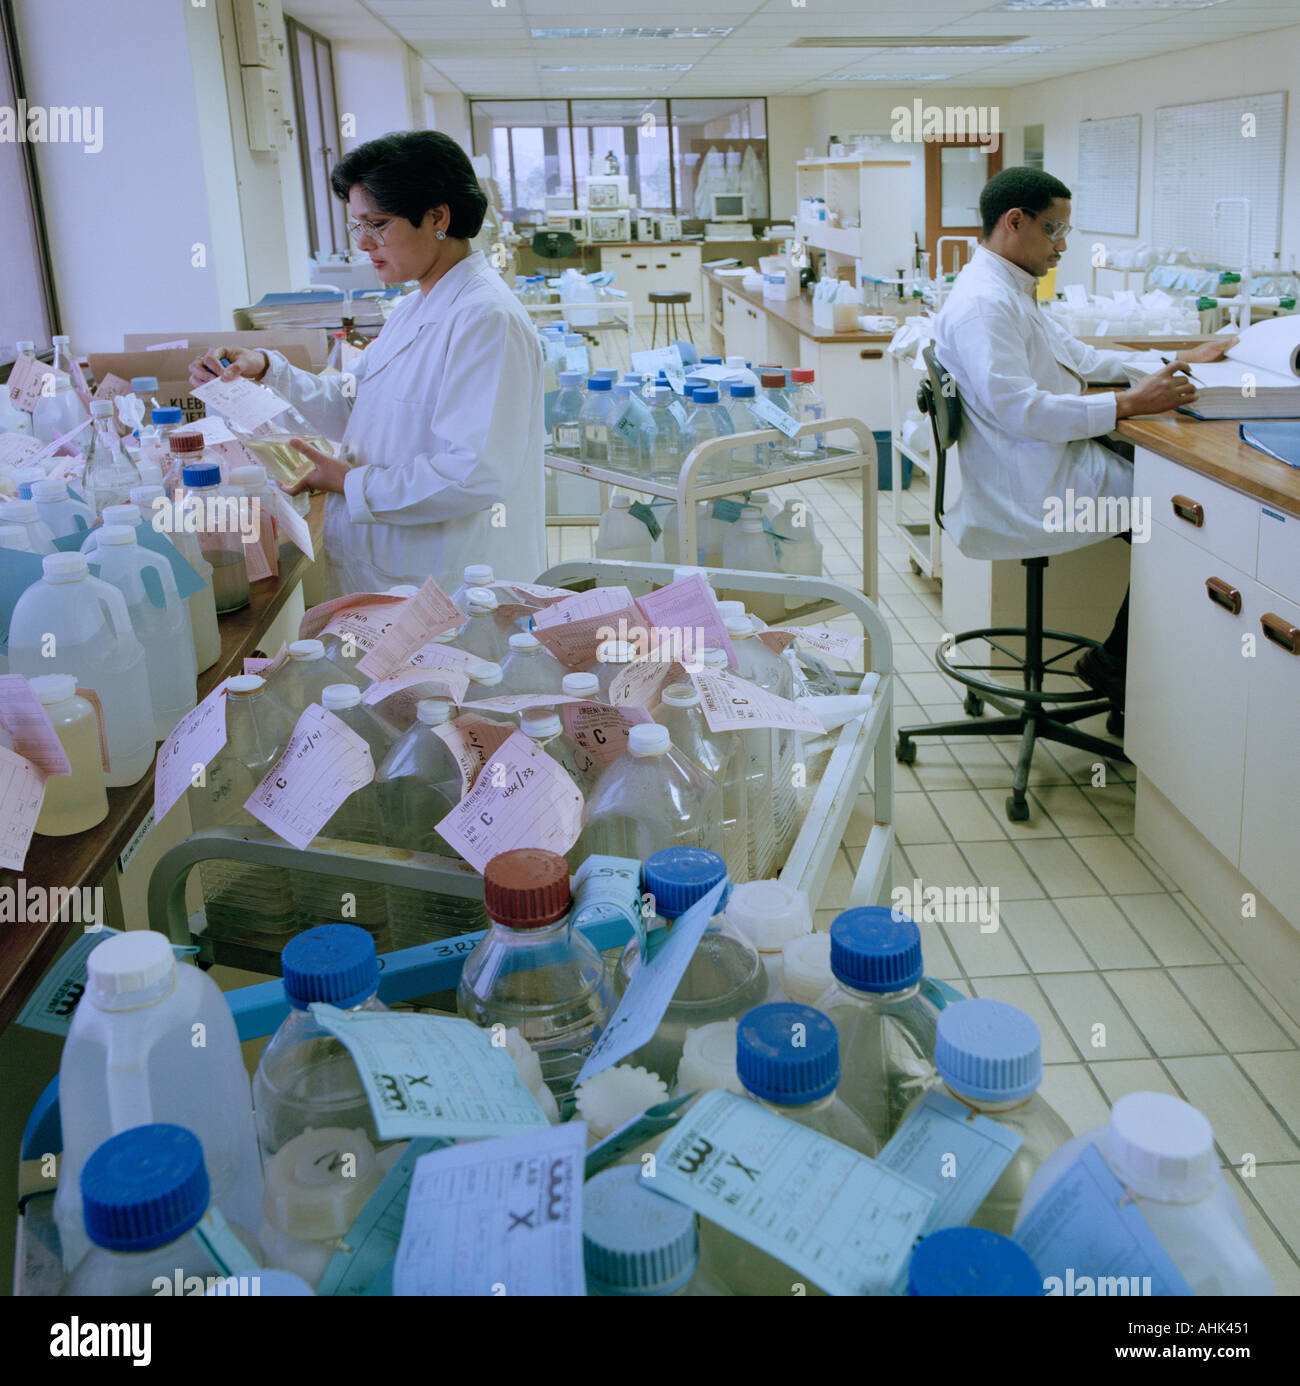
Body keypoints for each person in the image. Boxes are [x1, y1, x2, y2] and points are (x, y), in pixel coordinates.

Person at [189, 130, 545, 600]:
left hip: (452, 584)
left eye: (377, 224)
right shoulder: (414, 308)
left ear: (437, 216)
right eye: (358, 226)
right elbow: (352, 403)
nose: (363, 244)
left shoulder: (485, 319)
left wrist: (346, 481)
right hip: (393, 572)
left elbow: (473, 473)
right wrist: (266, 369)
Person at [933, 167, 1235, 705]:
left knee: (1176, 512)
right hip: (1030, 489)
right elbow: (1020, 411)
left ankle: (1121, 669)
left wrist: (1173, 360)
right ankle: (1116, 669)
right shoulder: (985, 303)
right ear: (1014, 221)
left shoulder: (1009, 287)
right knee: (1178, 523)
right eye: (1054, 230)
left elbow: (1080, 359)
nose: (1063, 246)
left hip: (1041, 463)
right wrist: (1129, 404)